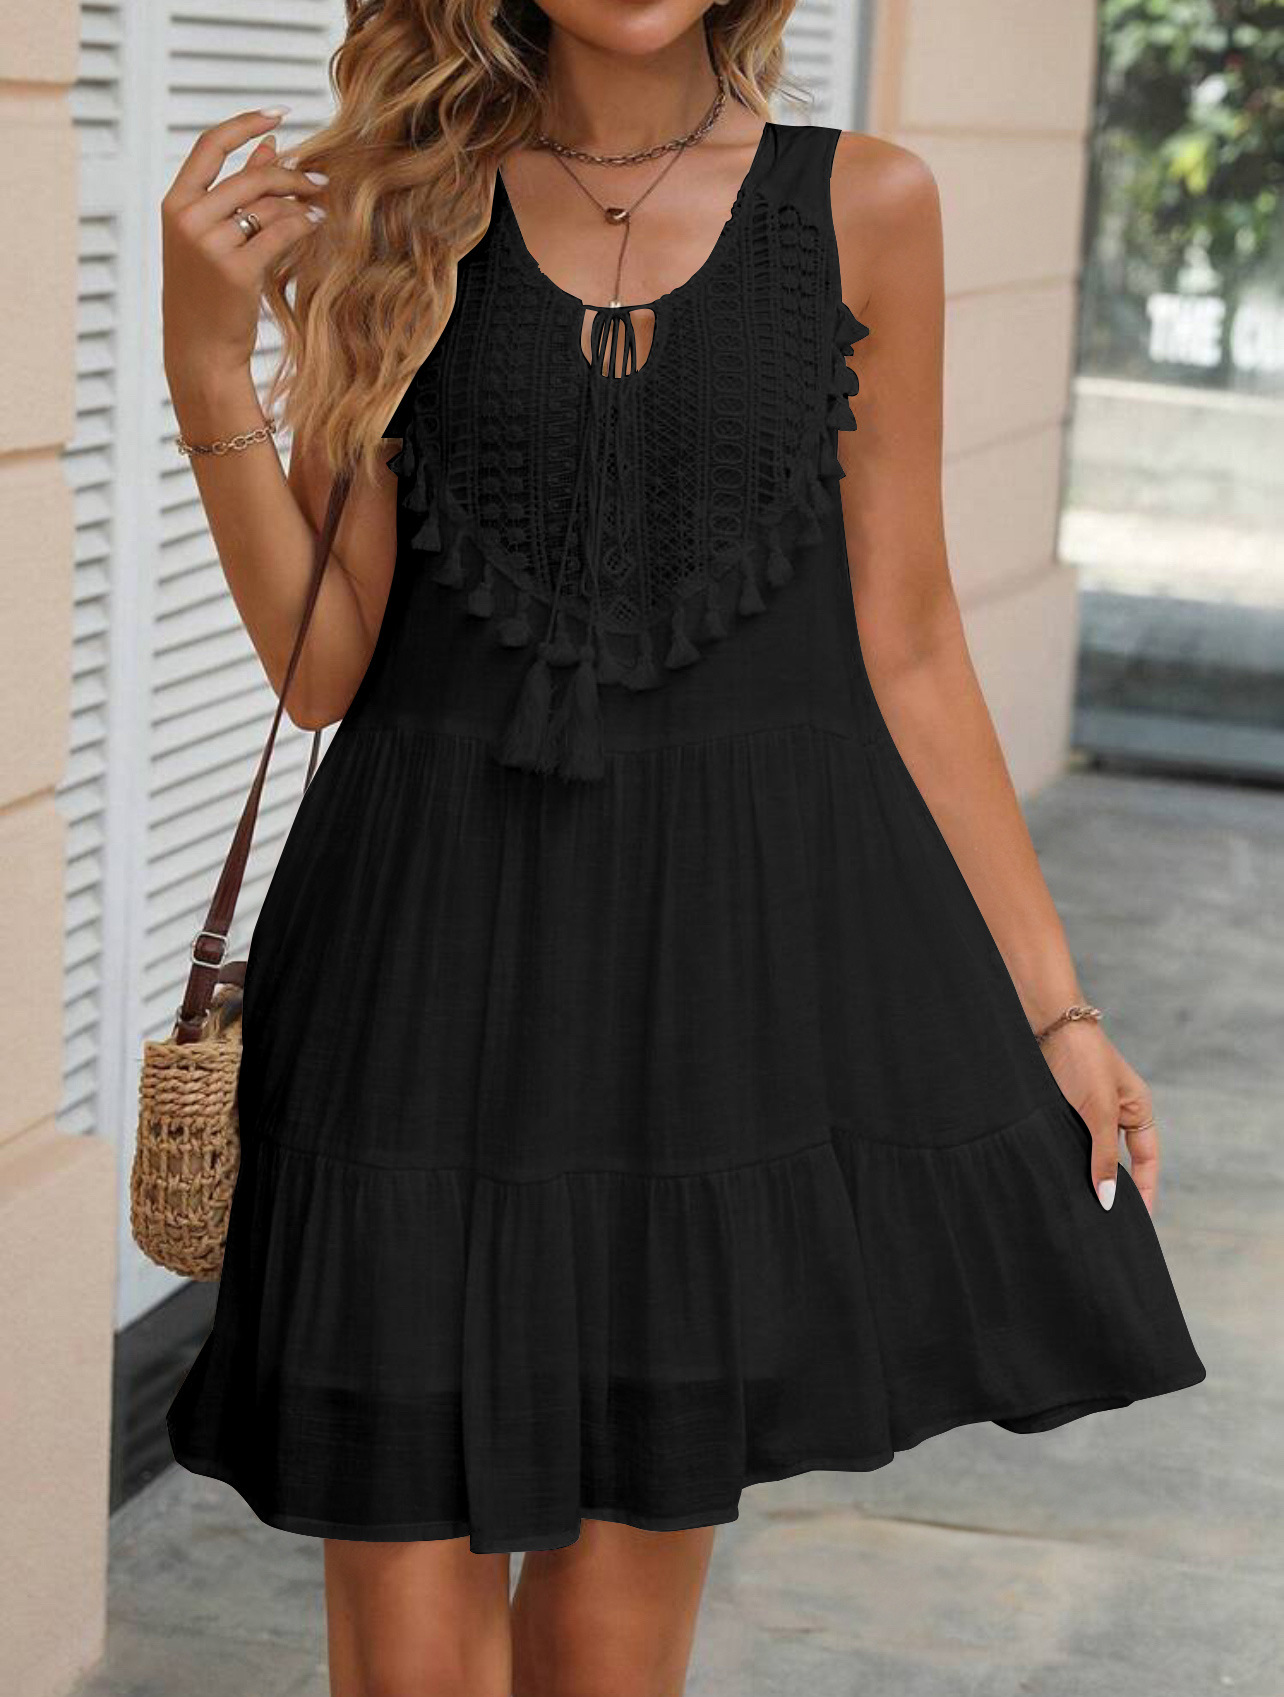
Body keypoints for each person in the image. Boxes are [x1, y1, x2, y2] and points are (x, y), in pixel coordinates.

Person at [159, 3, 1207, 1693]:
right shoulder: (399, 203)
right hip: (417, 980)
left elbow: (912, 642)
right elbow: (324, 667)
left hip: (707, 1000)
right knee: (409, 1649)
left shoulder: (868, 204)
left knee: (605, 1646)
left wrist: (1055, 1003)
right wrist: (209, 369)